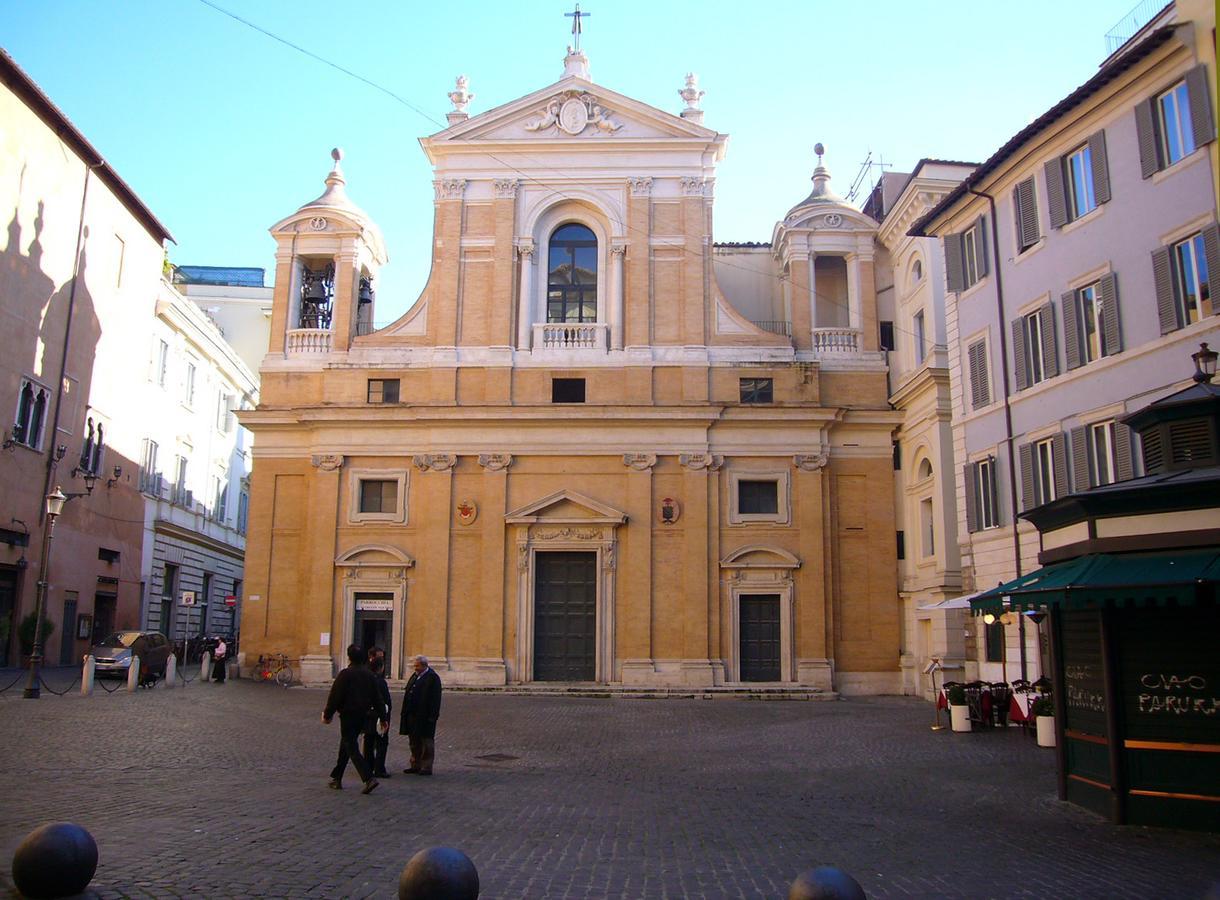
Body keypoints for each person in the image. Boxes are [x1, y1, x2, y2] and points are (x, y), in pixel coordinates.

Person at [322, 644, 380, 794]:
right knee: (346, 744)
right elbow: (377, 698)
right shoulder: (369, 675)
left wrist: (328, 714)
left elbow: (335, 697)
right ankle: (337, 777)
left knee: (351, 747)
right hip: (363, 716)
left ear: (349, 657)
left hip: (348, 716)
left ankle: (368, 778)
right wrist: (383, 717)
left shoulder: (345, 674)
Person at [400, 654, 442, 775]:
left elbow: (435, 699)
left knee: (426, 742)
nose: (415, 668)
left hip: (425, 716)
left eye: (417, 666)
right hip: (412, 715)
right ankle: (415, 763)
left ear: (424, 665)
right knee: (413, 741)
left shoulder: (433, 678)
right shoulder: (415, 676)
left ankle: (426, 766)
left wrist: (433, 716)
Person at [362, 655, 392, 779]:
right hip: (379, 717)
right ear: (380, 668)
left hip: (367, 715)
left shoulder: (365, 679)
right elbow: (385, 701)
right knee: (381, 743)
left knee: (368, 742)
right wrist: (385, 718)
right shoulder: (380, 682)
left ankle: (368, 767)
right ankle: (379, 769)